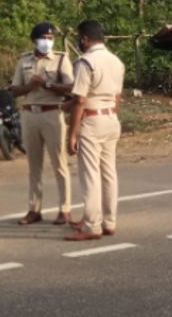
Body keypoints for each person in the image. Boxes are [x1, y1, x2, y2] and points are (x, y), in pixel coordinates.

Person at [65, 20, 125, 241]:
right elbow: (117, 97)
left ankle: (92, 225)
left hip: (91, 120)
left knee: (90, 174)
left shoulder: (85, 62)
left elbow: (80, 99)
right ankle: (109, 221)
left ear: (84, 39)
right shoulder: (116, 61)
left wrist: (73, 133)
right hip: (111, 118)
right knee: (109, 172)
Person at [10, 23, 75, 226]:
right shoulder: (24, 60)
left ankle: (65, 209)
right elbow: (14, 89)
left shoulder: (61, 59)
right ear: (35, 39)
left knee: (59, 164)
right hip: (30, 114)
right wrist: (29, 86)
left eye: (50, 37)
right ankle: (34, 208)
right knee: (34, 166)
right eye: (43, 37)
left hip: (52, 113)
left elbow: (71, 87)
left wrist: (48, 84)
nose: (47, 41)